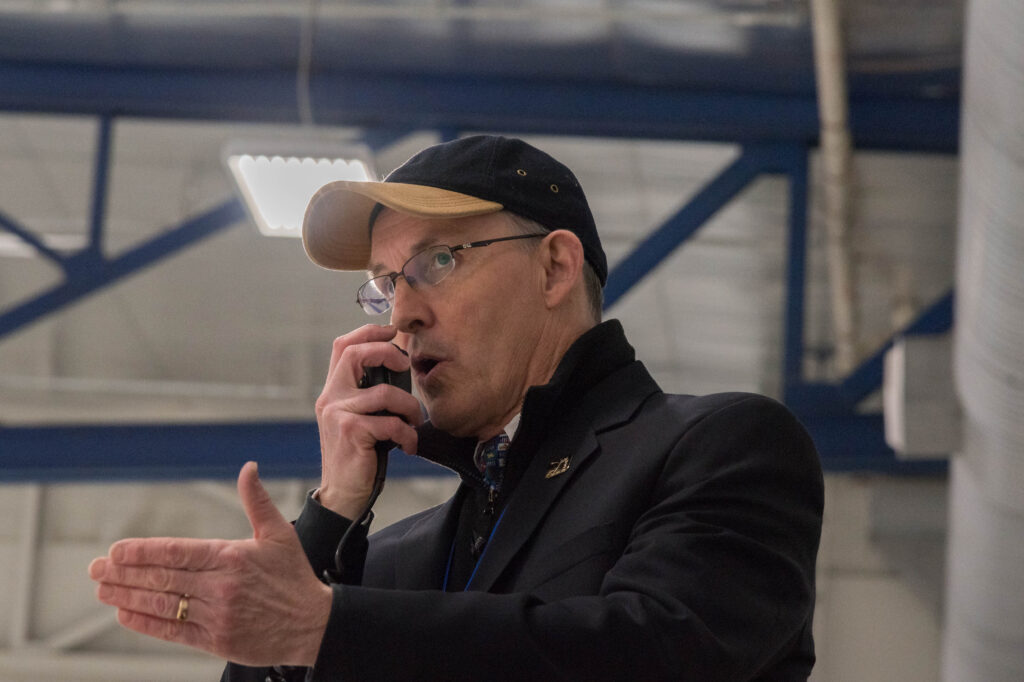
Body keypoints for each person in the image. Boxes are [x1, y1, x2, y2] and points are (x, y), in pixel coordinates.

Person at [89, 135, 824, 681]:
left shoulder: (720, 446)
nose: (400, 313)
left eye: (437, 262)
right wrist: (334, 514)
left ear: (555, 267)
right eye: (384, 285)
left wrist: (328, 624)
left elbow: (653, 653)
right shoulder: (395, 562)